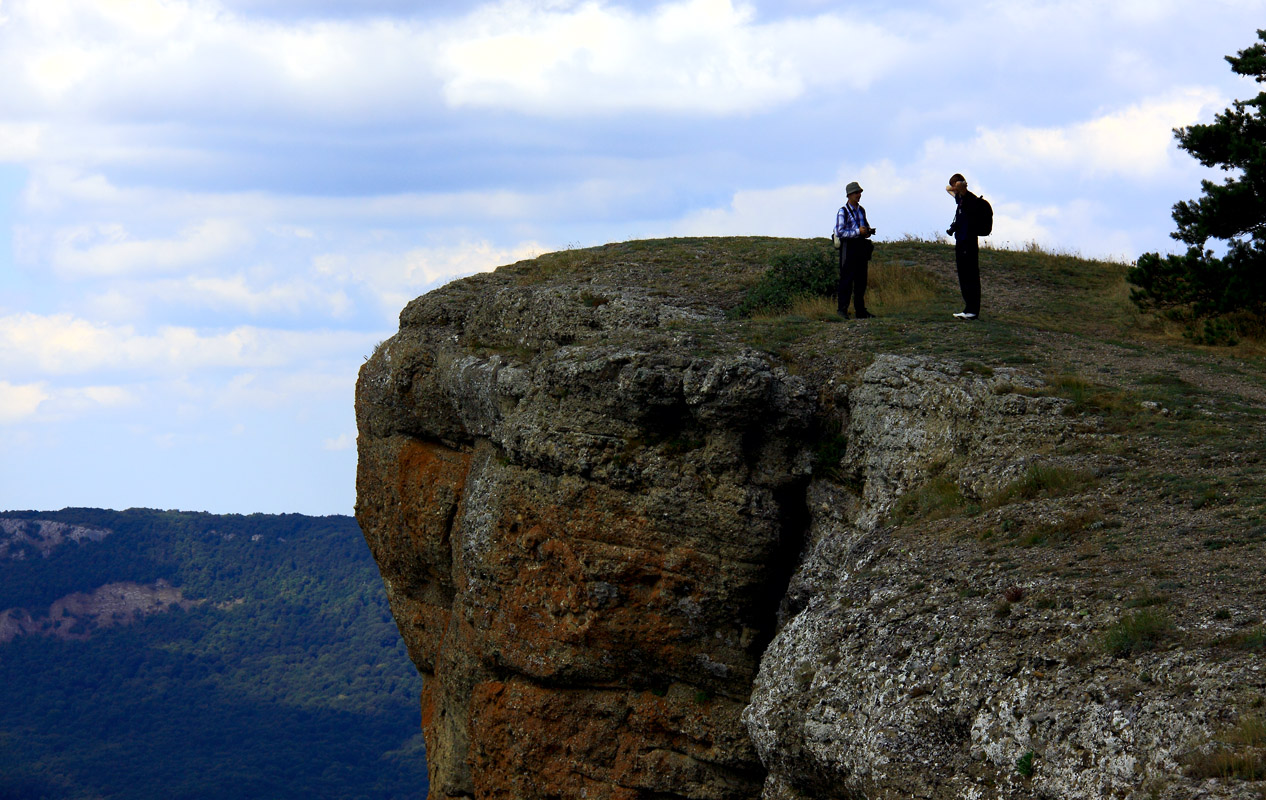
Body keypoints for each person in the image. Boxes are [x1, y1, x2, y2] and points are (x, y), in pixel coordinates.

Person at [833, 181, 876, 319]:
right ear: (850, 194)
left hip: (861, 247)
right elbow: (839, 232)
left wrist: (867, 231)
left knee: (861, 280)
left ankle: (860, 311)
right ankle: (842, 310)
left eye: (860, 193)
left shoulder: (862, 210)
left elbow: (865, 226)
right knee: (846, 279)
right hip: (849, 247)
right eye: (857, 193)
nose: (859, 195)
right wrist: (858, 231)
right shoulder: (842, 211)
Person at [945, 173, 980, 320]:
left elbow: (960, 188)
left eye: (956, 185)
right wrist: (955, 186)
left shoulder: (968, 198)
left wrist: (961, 185)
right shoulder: (959, 199)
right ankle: (968, 309)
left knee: (970, 276)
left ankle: (972, 310)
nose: (954, 188)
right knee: (963, 276)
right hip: (961, 241)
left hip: (968, 242)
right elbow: (948, 189)